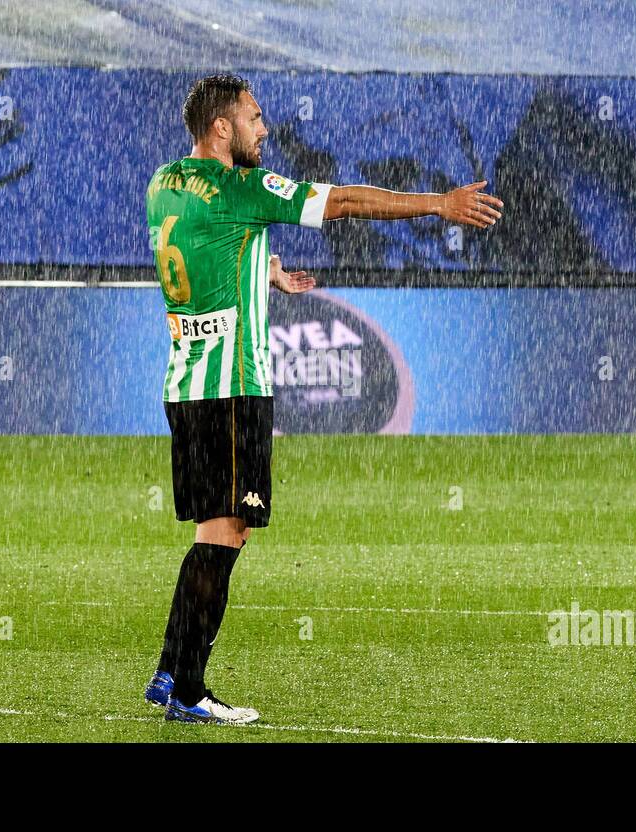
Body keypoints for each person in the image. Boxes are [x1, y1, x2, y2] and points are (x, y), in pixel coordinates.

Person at [144, 73, 504, 724]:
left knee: (222, 529)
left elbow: (200, 244)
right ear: (221, 129)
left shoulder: (166, 182)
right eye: (254, 118)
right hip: (233, 387)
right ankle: (190, 692)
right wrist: (436, 205)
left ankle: (173, 668)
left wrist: (266, 270)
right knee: (225, 534)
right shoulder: (244, 190)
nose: (265, 129)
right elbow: (341, 203)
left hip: (185, 381)